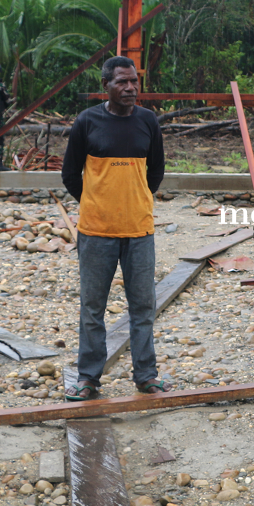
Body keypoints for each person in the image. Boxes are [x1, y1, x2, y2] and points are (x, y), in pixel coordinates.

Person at [61, 56, 169, 401]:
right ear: (105, 85)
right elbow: (70, 174)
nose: (130, 87)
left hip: (139, 231)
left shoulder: (148, 121)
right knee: (93, 309)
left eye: (134, 81)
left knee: (143, 308)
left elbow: (156, 171)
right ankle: (88, 378)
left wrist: (137, 198)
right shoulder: (87, 121)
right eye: (122, 81)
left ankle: (146, 375)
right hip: (96, 232)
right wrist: (97, 202)